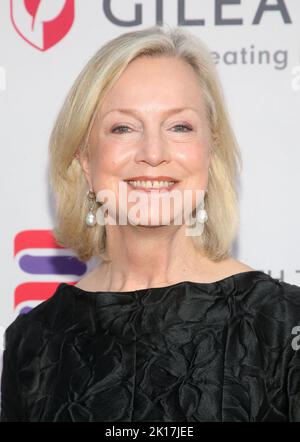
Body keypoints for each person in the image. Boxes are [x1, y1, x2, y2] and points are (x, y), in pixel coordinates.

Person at [1, 25, 300, 422]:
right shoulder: (33, 342)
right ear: (86, 160)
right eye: (123, 127)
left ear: (211, 152)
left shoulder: (283, 324)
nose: (153, 153)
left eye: (180, 127)